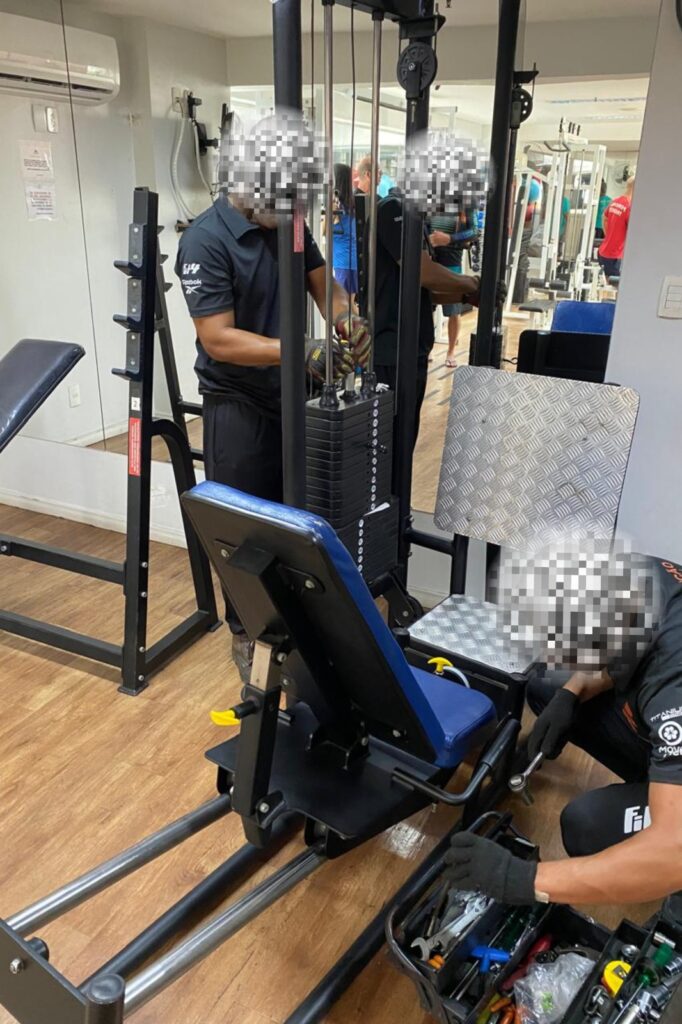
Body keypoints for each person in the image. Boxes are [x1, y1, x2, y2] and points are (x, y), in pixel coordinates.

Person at [176, 192, 370, 679]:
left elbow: (325, 286)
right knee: (245, 535)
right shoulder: (205, 239)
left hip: (296, 397)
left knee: (302, 521)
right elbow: (218, 338)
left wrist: (345, 317)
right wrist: (299, 350)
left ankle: (308, 633)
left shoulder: (290, 219)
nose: (289, 211)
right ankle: (249, 642)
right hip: (239, 403)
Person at [445, 553, 682, 919]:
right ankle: (662, 784)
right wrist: (570, 695)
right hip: (665, 730)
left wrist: (522, 879)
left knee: (586, 825)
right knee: (549, 687)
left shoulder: (672, 685)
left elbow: (672, 851)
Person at [373, 191, 483, 449]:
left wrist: (468, 295)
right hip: (392, 350)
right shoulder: (393, 209)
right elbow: (421, 272)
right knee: (391, 444)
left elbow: (425, 292)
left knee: (406, 438)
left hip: (415, 349)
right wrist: (474, 283)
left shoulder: (417, 219)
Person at [428, 210, 479, 368]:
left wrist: (450, 238)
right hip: (431, 259)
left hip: (452, 261)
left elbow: (474, 232)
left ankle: (451, 351)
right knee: (427, 308)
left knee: (454, 310)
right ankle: (428, 348)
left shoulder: (466, 206)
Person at [598, 176, 635, 281]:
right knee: (616, 287)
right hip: (615, 256)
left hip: (604, 252)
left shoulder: (615, 202)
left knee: (607, 284)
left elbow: (604, 217)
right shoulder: (629, 207)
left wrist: (609, 236)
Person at [331, 163, 358, 305]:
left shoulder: (337, 205)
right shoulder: (352, 204)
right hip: (354, 261)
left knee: (344, 305)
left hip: (342, 262)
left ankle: (364, 321)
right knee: (351, 304)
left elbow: (324, 231)